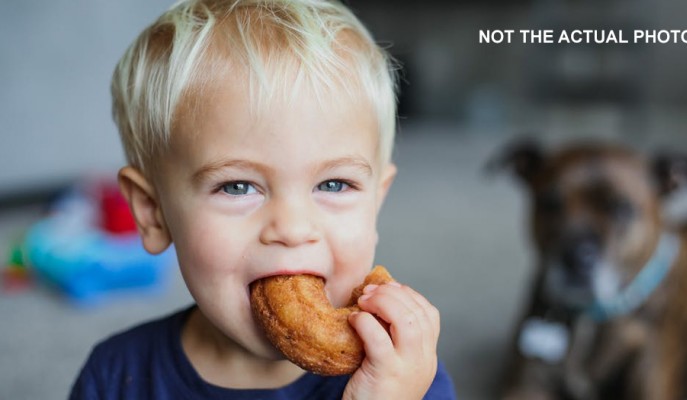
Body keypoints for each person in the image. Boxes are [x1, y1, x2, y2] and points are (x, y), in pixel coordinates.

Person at [70, 0, 455, 399]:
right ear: (153, 213)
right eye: (237, 186)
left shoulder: (404, 378)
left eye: (334, 184)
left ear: (376, 202)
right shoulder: (116, 378)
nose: (292, 228)